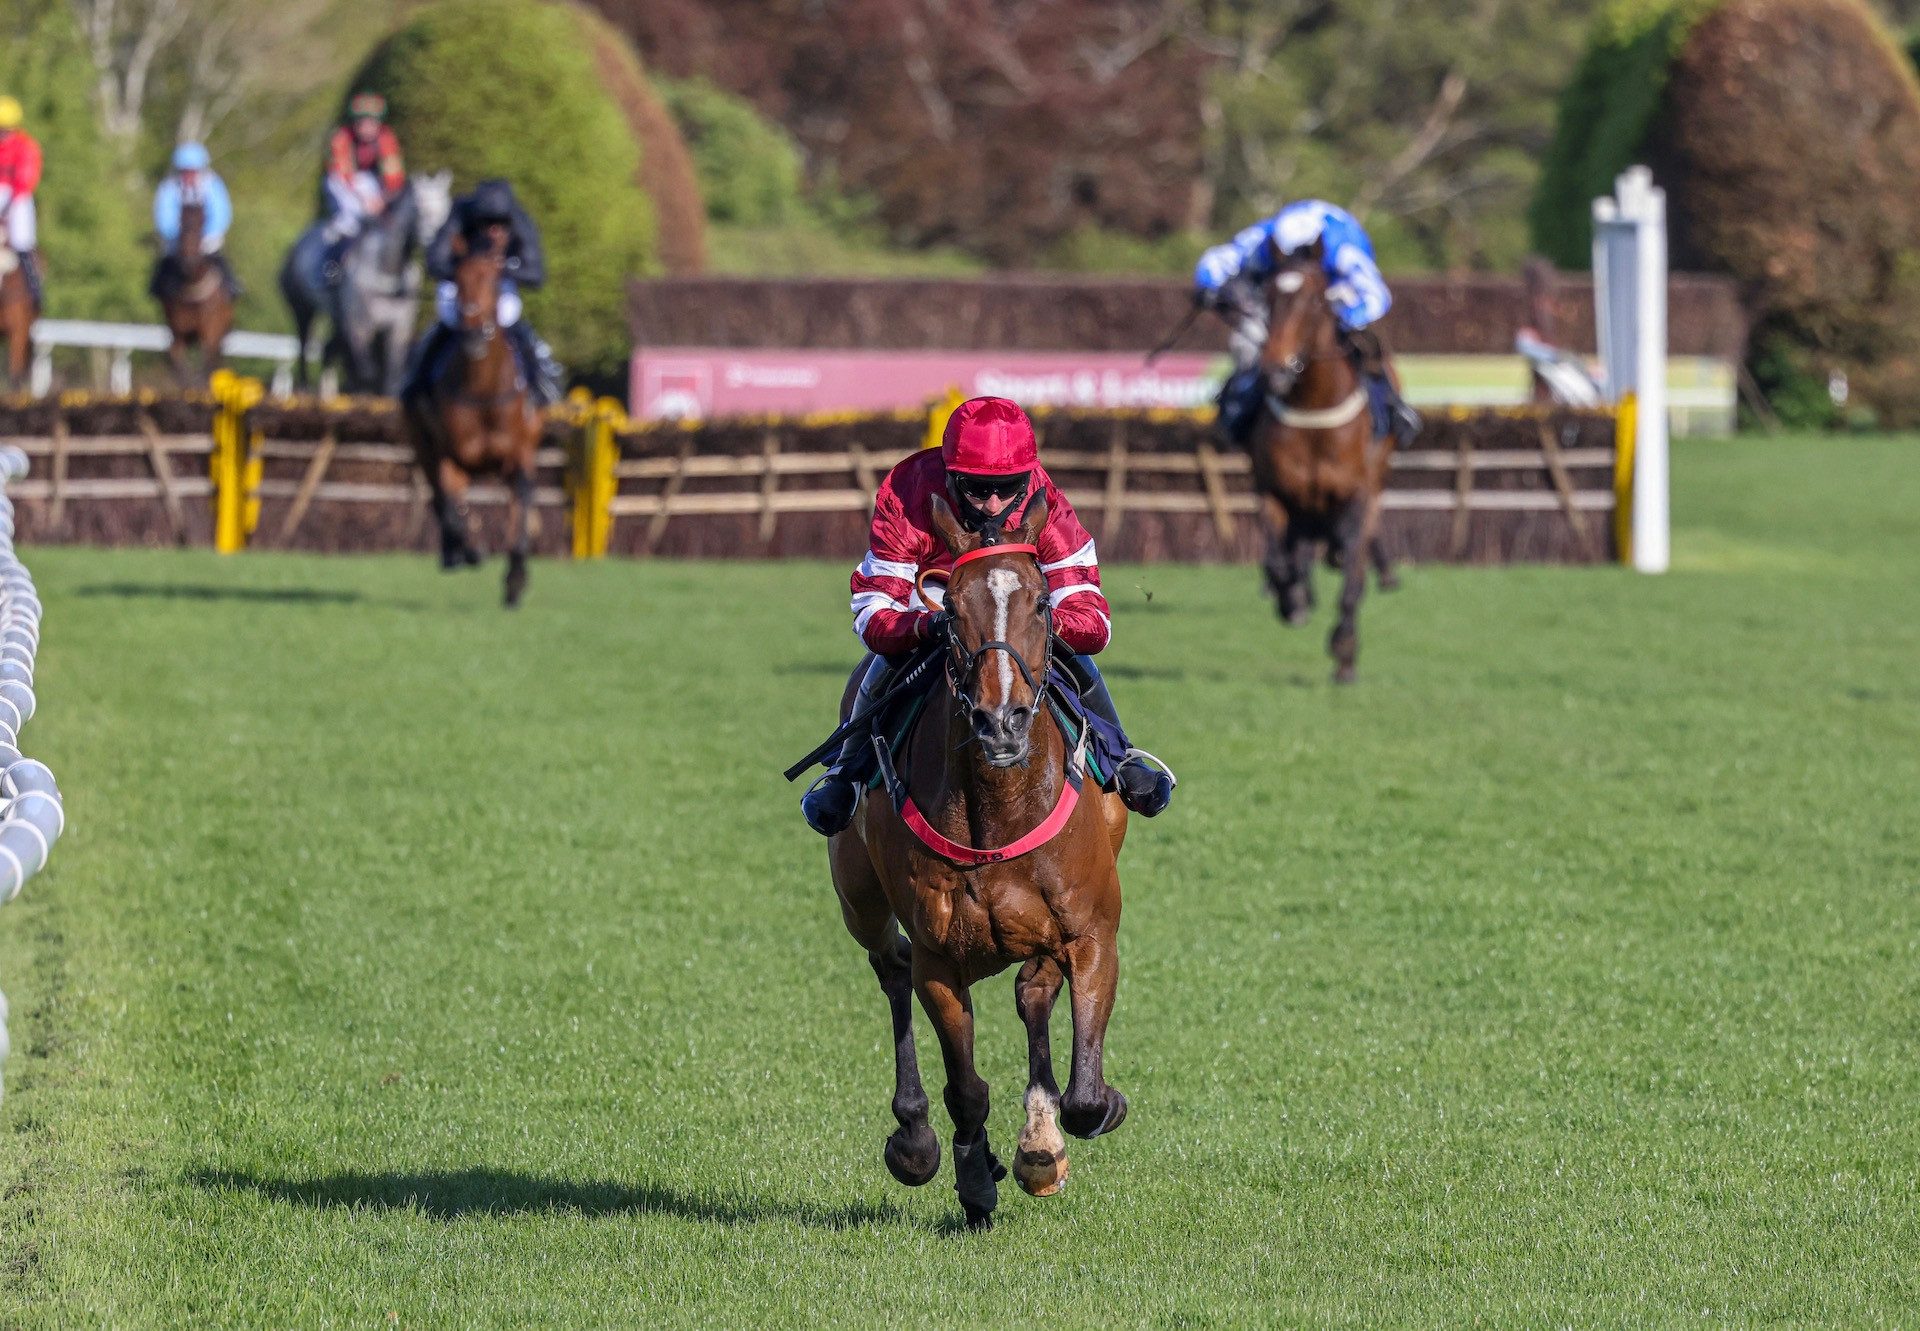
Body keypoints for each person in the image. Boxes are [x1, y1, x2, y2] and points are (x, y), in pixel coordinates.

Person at [800, 396, 1176, 837]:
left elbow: (1092, 617)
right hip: (940, 598)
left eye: (1009, 486)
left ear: (1028, 476)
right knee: (887, 663)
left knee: (1071, 655)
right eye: (977, 489)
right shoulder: (909, 490)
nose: (994, 504)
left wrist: (1040, 624)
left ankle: (1120, 756)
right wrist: (926, 625)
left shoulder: (1045, 499)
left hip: (1019, 603)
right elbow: (873, 612)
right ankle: (847, 772)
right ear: (951, 475)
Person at [1193, 199, 1420, 445]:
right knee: (1248, 345)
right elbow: (1216, 260)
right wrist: (1207, 285)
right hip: (1280, 295)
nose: (1295, 260)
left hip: (1333, 291)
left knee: (1365, 343)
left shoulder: (1342, 247)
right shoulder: (1265, 238)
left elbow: (1377, 297)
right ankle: (1234, 412)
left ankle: (1392, 408)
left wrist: (1345, 319)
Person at [405, 178, 562, 405]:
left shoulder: (519, 220)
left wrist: (501, 269)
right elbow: (435, 262)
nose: (494, 230)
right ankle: (415, 385)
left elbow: (536, 275)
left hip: (501, 283)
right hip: (462, 282)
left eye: (500, 224)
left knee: (512, 322)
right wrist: (469, 268)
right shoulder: (460, 211)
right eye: (487, 224)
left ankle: (542, 384)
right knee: (446, 324)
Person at [321, 92, 406, 263]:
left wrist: (382, 200)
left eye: (372, 123)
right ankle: (334, 255)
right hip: (341, 182)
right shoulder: (342, 138)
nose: (367, 128)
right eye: (362, 123)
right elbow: (343, 174)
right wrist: (365, 200)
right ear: (355, 123)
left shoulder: (386, 138)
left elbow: (394, 177)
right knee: (351, 215)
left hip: (369, 183)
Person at [150, 142, 238, 301]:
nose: (188, 175)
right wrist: (178, 234)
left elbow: (221, 212)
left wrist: (206, 235)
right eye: (185, 171)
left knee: (218, 258)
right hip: (177, 237)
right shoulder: (169, 187)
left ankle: (232, 285)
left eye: (192, 171)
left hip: (206, 236)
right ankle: (156, 287)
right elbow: (164, 215)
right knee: (166, 260)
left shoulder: (212, 185)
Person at [0, 96, 45, 310]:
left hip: (17, 198)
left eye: (5, 130)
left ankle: (34, 290)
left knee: (22, 240)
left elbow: (26, 178)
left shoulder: (26, 146)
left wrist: (8, 205)